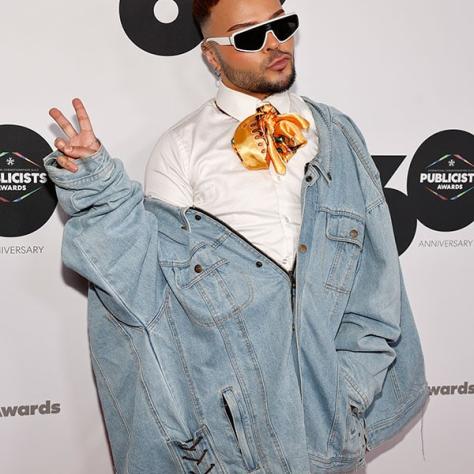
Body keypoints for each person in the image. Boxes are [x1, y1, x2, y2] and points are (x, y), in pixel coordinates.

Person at [44, 1, 429, 473]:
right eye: (250, 36)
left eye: (282, 25)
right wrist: (96, 184)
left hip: (334, 435)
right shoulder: (180, 151)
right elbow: (146, 291)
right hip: (236, 443)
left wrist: (345, 395)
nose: (275, 44)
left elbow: (377, 277)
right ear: (212, 55)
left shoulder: (338, 134)